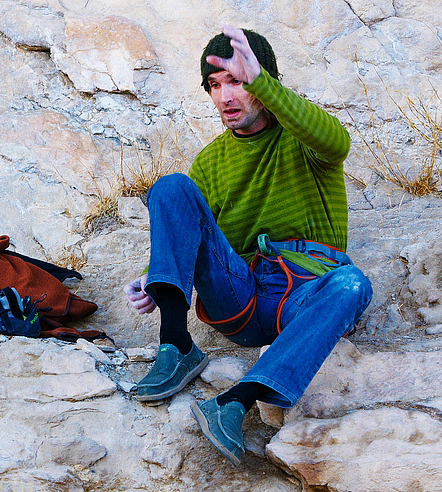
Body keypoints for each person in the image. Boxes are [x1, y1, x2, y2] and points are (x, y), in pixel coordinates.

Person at [123, 26, 373, 465]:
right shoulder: (212, 160)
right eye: (215, 86)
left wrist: (262, 81)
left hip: (304, 293)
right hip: (242, 297)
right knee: (170, 188)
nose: (225, 98)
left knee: (352, 284)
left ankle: (233, 402)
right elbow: (191, 229)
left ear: (265, 82)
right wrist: (155, 275)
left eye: (237, 82)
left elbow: (338, 141)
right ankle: (176, 346)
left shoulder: (305, 140)